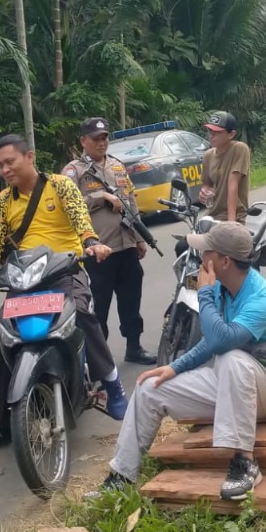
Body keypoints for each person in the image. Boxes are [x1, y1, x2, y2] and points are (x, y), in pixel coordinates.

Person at [99, 221, 266, 500]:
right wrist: (174, 367)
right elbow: (211, 342)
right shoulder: (223, 288)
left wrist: (203, 293)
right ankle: (121, 475)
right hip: (232, 384)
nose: (201, 257)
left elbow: (221, 341)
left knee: (231, 358)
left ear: (225, 261)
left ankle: (245, 463)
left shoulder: (260, 298)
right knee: (150, 386)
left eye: (207, 252)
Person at [0, 134, 128, 459]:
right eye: (0, 165)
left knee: (82, 315)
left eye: (10, 162)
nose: (5, 170)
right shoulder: (2, 201)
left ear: (30, 157)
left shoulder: (60, 186)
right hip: (25, 277)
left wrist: (91, 243)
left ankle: (112, 383)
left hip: (65, 270)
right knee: (3, 340)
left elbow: (81, 219)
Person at [62, 117, 156, 365]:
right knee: (98, 308)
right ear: (83, 141)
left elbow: (130, 201)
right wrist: (100, 196)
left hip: (126, 246)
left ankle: (134, 347)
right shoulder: (74, 171)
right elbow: (66, 205)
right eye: (96, 139)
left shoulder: (117, 166)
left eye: (104, 138)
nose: (101, 143)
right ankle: (98, 360)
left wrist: (140, 238)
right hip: (98, 251)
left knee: (131, 302)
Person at [199, 111, 250, 223]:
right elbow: (207, 184)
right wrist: (204, 191)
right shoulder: (208, 156)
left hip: (235, 215)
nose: (211, 135)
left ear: (231, 134)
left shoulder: (239, 149)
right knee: (192, 233)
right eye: (210, 130)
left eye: (217, 132)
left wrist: (231, 222)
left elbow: (233, 183)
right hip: (213, 215)